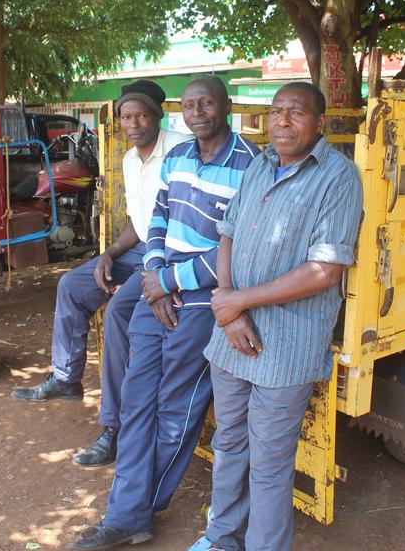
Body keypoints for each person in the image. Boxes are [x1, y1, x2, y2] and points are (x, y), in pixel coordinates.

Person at [69, 76, 261, 550]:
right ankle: (126, 511)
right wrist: (154, 274)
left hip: (204, 303)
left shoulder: (251, 164)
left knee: (176, 408)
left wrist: (171, 280)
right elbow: (157, 219)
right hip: (157, 295)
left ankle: (133, 512)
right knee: (137, 402)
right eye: (190, 105)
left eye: (206, 104)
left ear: (227, 107)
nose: (197, 113)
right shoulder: (177, 158)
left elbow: (242, 247)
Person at [188, 82, 363, 551]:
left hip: (287, 344)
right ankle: (221, 537)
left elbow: (325, 270)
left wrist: (239, 302)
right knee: (229, 444)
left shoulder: (338, 177)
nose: (282, 121)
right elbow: (227, 233)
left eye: (296, 112)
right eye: (276, 111)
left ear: (320, 122)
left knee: (268, 462)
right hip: (232, 336)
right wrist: (229, 307)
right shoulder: (259, 165)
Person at [11, 79, 191, 467]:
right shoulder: (129, 160)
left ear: (158, 117)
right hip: (142, 248)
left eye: (141, 115)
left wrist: (152, 269)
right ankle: (65, 378)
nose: (133, 123)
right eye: (126, 117)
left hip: (171, 254)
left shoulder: (181, 149)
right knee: (72, 285)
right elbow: (139, 223)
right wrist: (109, 253)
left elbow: (187, 223)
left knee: (119, 314)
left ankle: (115, 427)